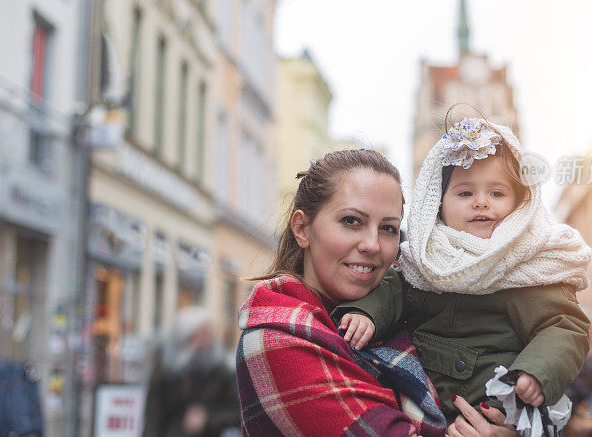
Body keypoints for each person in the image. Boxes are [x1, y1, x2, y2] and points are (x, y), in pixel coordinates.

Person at [235, 149, 515, 436]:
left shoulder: (408, 309)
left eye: (388, 228)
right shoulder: (276, 338)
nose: (372, 244)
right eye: (351, 221)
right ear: (302, 228)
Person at [335, 116, 591, 421]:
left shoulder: (527, 265)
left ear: (520, 202)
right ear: (439, 203)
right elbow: (394, 287)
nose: (481, 202)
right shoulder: (425, 257)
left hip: (491, 406)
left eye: (496, 193)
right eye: (465, 193)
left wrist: (536, 373)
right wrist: (366, 314)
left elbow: (563, 326)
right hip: (422, 401)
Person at [143, 306, 240, 437]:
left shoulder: (222, 371)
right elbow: (153, 416)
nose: (205, 343)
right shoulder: (165, 370)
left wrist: (208, 418)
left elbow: (237, 413)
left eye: (208, 335)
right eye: (198, 336)